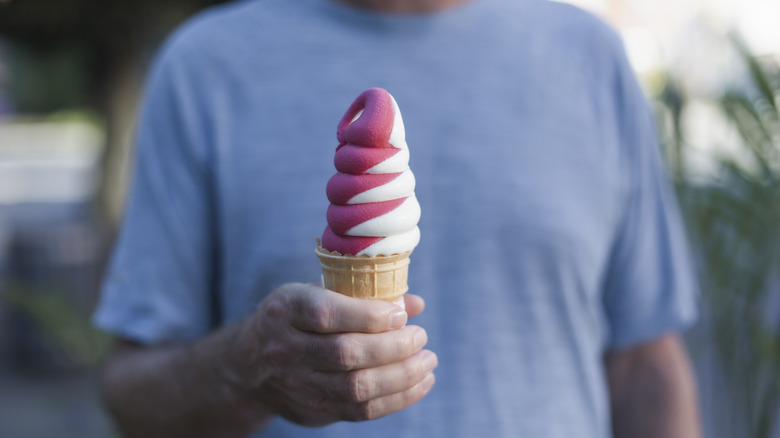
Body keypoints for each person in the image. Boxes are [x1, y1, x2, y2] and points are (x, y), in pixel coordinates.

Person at [94, 0, 702, 437]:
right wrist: (245, 367)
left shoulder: (589, 56)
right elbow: (130, 396)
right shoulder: (204, 67)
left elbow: (646, 363)